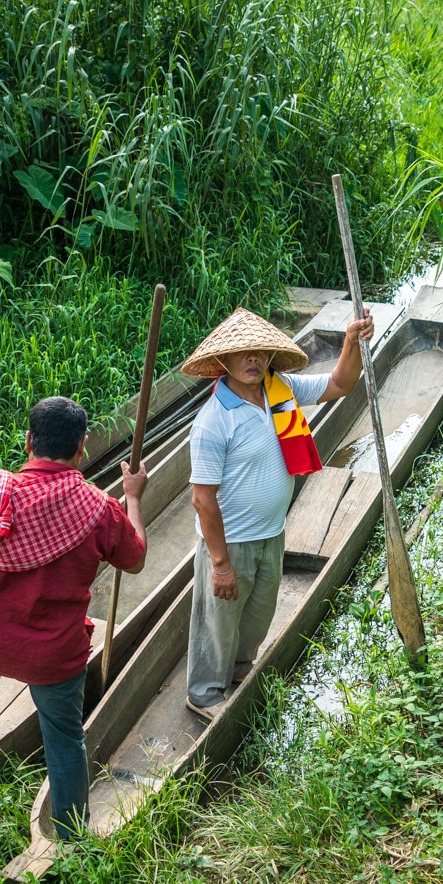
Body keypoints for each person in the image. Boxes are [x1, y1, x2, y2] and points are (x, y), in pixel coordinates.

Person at [0, 396, 147, 838]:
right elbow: (134, 561)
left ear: (28, 441)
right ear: (82, 447)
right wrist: (132, 498)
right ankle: (70, 836)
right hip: (54, 659)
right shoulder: (99, 508)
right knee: (64, 741)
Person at [179, 306, 373, 720]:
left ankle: (237, 673)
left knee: (256, 616)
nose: (254, 360)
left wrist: (351, 342)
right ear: (223, 362)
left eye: (261, 352)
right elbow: (202, 499)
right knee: (218, 622)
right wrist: (220, 565)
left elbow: (341, 383)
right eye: (244, 353)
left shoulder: (278, 389)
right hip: (231, 542)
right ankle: (204, 694)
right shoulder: (213, 421)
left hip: (272, 532)